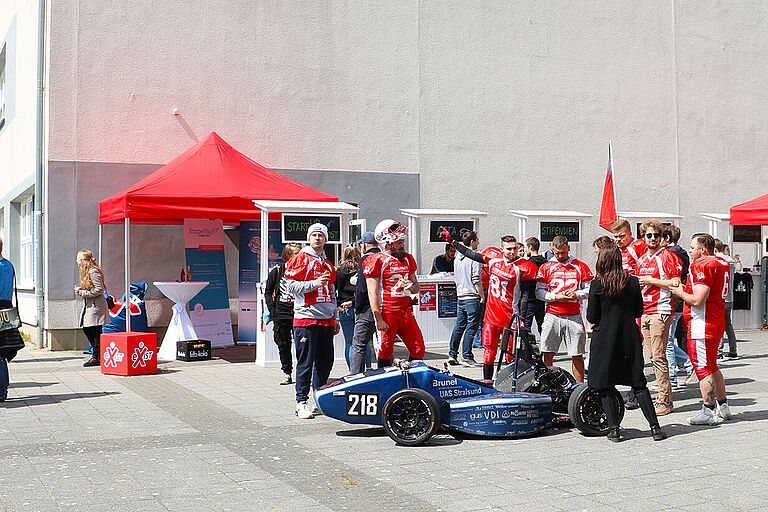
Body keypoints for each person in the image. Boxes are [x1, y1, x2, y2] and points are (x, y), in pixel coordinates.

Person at [587, 245, 665, 442]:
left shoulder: (598, 284)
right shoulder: (632, 282)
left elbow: (592, 316)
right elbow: (639, 311)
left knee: (604, 384)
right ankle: (655, 428)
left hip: (604, 338)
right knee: (638, 383)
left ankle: (614, 429)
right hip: (628, 336)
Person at [443, 230, 537, 381]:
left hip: (510, 317)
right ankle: (487, 382)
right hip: (492, 316)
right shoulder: (493, 258)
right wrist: (453, 242)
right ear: (502, 249)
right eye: (509, 248)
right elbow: (471, 254)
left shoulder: (524, 266)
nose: (512, 251)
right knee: (489, 352)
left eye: (514, 248)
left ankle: (509, 384)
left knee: (511, 355)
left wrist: (522, 317)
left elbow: (525, 294)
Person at [670, 233, 731, 425]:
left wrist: (680, 292)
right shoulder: (722, 262)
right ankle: (723, 406)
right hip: (715, 319)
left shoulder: (703, 264)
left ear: (702, 249)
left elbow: (697, 299)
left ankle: (708, 410)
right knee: (712, 366)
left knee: (703, 368)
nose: (690, 250)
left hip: (702, 322)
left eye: (692, 247)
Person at [285, 224, 341, 419]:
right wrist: (314, 284)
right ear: (309, 238)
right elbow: (290, 286)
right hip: (306, 318)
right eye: (314, 235)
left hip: (326, 319)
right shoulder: (300, 258)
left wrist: (335, 317)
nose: (317, 238)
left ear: (326, 239)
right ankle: (301, 401)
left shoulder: (327, 263)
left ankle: (320, 398)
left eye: (321, 235)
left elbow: (332, 292)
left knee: (325, 363)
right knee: (305, 363)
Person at [635, 220, 682, 415]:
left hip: (661, 310)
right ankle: (662, 396)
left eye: (656, 235)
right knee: (653, 356)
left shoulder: (667, 256)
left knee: (659, 356)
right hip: (644, 311)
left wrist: (651, 280)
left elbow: (676, 282)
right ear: (643, 237)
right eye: (649, 235)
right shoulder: (642, 258)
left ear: (662, 237)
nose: (653, 238)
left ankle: (665, 398)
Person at [364, 219, 425, 367]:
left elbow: (416, 287)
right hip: (388, 312)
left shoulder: (408, 259)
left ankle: (411, 382)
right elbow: (372, 293)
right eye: (398, 242)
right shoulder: (377, 260)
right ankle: (384, 384)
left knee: (418, 348)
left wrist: (411, 287)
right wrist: (378, 318)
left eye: (402, 241)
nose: (402, 245)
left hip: (405, 311)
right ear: (387, 242)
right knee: (385, 350)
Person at [535, 236, 593, 383]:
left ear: (568, 248)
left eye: (563, 252)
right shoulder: (546, 267)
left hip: (574, 315)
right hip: (552, 315)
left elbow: (590, 289)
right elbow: (539, 292)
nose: (560, 256)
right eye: (557, 253)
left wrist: (577, 294)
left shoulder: (580, 266)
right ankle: (548, 386)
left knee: (577, 354)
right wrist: (555, 297)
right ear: (551, 249)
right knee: (547, 353)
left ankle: (579, 388)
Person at [661, 226, 696, 388]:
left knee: (666, 341)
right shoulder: (680, 252)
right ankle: (688, 364)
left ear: (667, 238)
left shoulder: (670, 254)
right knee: (665, 340)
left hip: (673, 301)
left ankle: (674, 376)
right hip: (677, 301)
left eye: (657, 236)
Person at [264, 243, 302, 385]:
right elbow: (268, 291)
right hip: (281, 313)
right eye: (296, 253)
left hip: (299, 313)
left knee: (302, 345)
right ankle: (287, 372)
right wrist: (273, 310)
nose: (299, 256)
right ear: (288, 256)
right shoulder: (278, 271)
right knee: (283, 344)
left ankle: (302, 373)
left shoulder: (303, 270)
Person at [447, 231, 483, 367]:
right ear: (472, 242)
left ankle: (452, 353)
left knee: (459, 325)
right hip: (472, 295)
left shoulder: (457, 257)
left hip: (461, 294)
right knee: (471, 327)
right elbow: (476, 278)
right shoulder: (475, 257)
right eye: (477, 240)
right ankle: (467, 356)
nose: (478, 242)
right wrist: (482, 295)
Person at [75, 250, 110, 367]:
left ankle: (96, 357)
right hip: (91, 305)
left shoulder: (93, 271)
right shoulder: (87, 272)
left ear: (83, 261)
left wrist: (82, 292)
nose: (76, 261)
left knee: (93, 330)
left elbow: (99, 289)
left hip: (96, 306)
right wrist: (81, 289)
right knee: (90, 330)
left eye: (78, 259)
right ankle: (98, 355)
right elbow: (93, 287)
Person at [349, 232, 378, 374]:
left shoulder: (365, 259)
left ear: (364, 245)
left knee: (359, 345)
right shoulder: (385, 257)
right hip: (385, 307)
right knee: (384, 344)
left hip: (367, 308)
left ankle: (355, 378)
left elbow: (361, 288)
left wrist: (358, 308)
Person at [0, 238, 24, 402]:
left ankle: (1, 391)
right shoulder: (9, 265)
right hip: (6, 310)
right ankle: (3, 390)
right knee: (1, 352)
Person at [336, 244, 362, 369]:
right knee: (363, 342)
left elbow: (331, 289)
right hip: (360, 307)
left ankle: (352, 370)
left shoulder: (339, 271)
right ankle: (367, 368)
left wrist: (337, 304)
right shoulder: (362, 269)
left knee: (349, 342)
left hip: (344, 308)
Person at [714, 239, 738, 359]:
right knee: (728, 324)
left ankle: (719, 352)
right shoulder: (731, 261)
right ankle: (733, 350)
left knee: (719, 325)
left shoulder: (719, 262)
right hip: (730, 297)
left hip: (721, 297)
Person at [524, 237, 547, 334]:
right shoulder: (545, 262)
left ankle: (527, 347)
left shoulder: (529, 263)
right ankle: (546, 346)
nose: (525, 250)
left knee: (526, 326)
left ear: (530, 247)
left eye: (526, 247)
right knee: (542, 325)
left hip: (530, 298)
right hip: (542, 297)